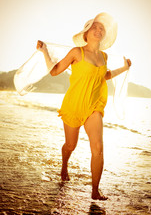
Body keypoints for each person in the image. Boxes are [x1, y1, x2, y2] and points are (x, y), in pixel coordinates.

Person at [37, 12, 131, 200]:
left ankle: (95, 191)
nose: (99, 30)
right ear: (86, 34)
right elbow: (55, 72)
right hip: (74, 105)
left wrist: (125, 68)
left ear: (104, 35)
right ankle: (64, 166)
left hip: (94, 106)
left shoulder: (104, 56)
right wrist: (44, 51)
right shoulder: (76, 52)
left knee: (98, 148)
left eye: (102, 28)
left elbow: (105, 76)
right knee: (71, 145)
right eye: (94, 27)